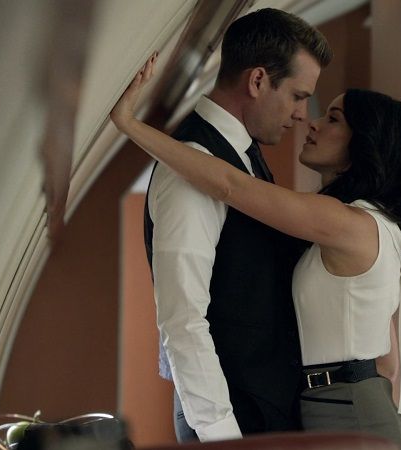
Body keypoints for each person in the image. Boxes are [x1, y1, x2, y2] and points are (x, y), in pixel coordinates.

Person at [111, 51, 401, 449]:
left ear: (366, 143)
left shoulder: (346, 221)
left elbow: (229, 185)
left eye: (333, 119)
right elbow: (388, 362)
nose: (312, 121)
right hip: (343, 403)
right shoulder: (370, 222)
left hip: (346, 407)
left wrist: (129, 125)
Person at [133, 9, 332, 443]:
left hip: (257, 409)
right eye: (297, 96)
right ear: (257, 81)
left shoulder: (243, 154)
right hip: (230, 420)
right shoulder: (193, 164)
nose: (302, 114)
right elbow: (183, 317)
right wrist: (222, 435)